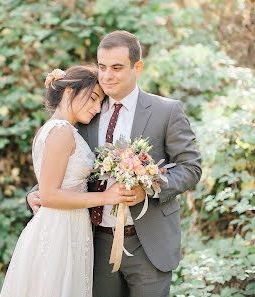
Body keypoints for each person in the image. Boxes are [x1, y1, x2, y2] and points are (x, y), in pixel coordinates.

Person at [26, 31, 202, 297]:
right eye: (102, 66)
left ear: (137, 68)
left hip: (149, 244)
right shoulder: (86, 110)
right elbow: (63, 161)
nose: (106, 76)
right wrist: (36, 193)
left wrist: (149, 187)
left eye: (117, 67)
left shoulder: (166, 111)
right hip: (94, 243)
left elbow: (191, 167)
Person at [0, 65, 137, 297]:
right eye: (92, 98)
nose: (95, 108)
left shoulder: (66, 130)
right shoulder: (61, 131)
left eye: (99, 103)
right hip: (58, 230)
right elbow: (51, 195)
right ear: (68, 91)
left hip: (71, 227)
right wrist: (107, 196)